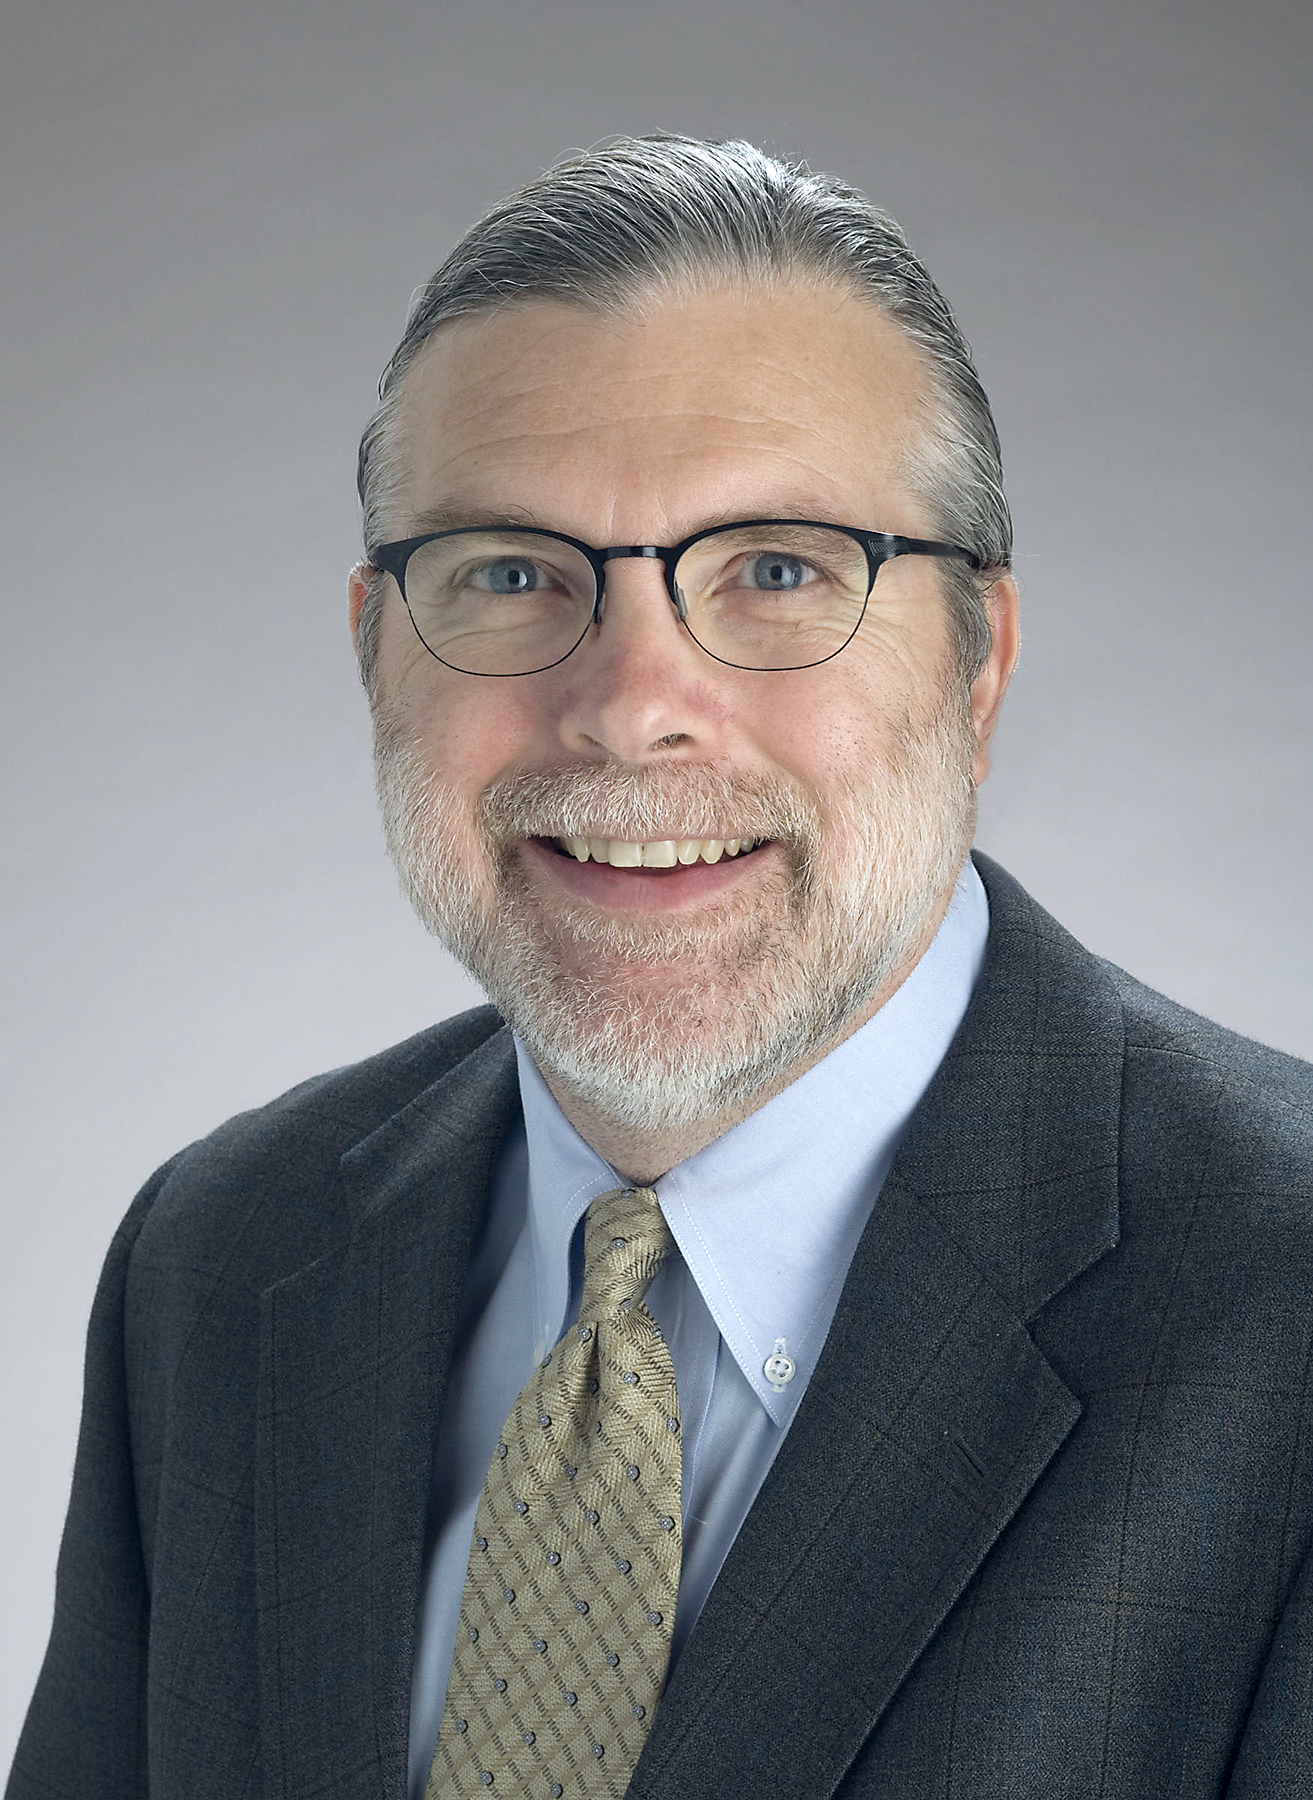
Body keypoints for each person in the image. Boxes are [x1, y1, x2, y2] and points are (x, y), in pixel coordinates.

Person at [8, 134, 1312, 1800]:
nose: (630, 707)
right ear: (373, 653)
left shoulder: (1279, 1312)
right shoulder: (223, 1255)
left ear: (975, 665)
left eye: (776, 571)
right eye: (509, 574)